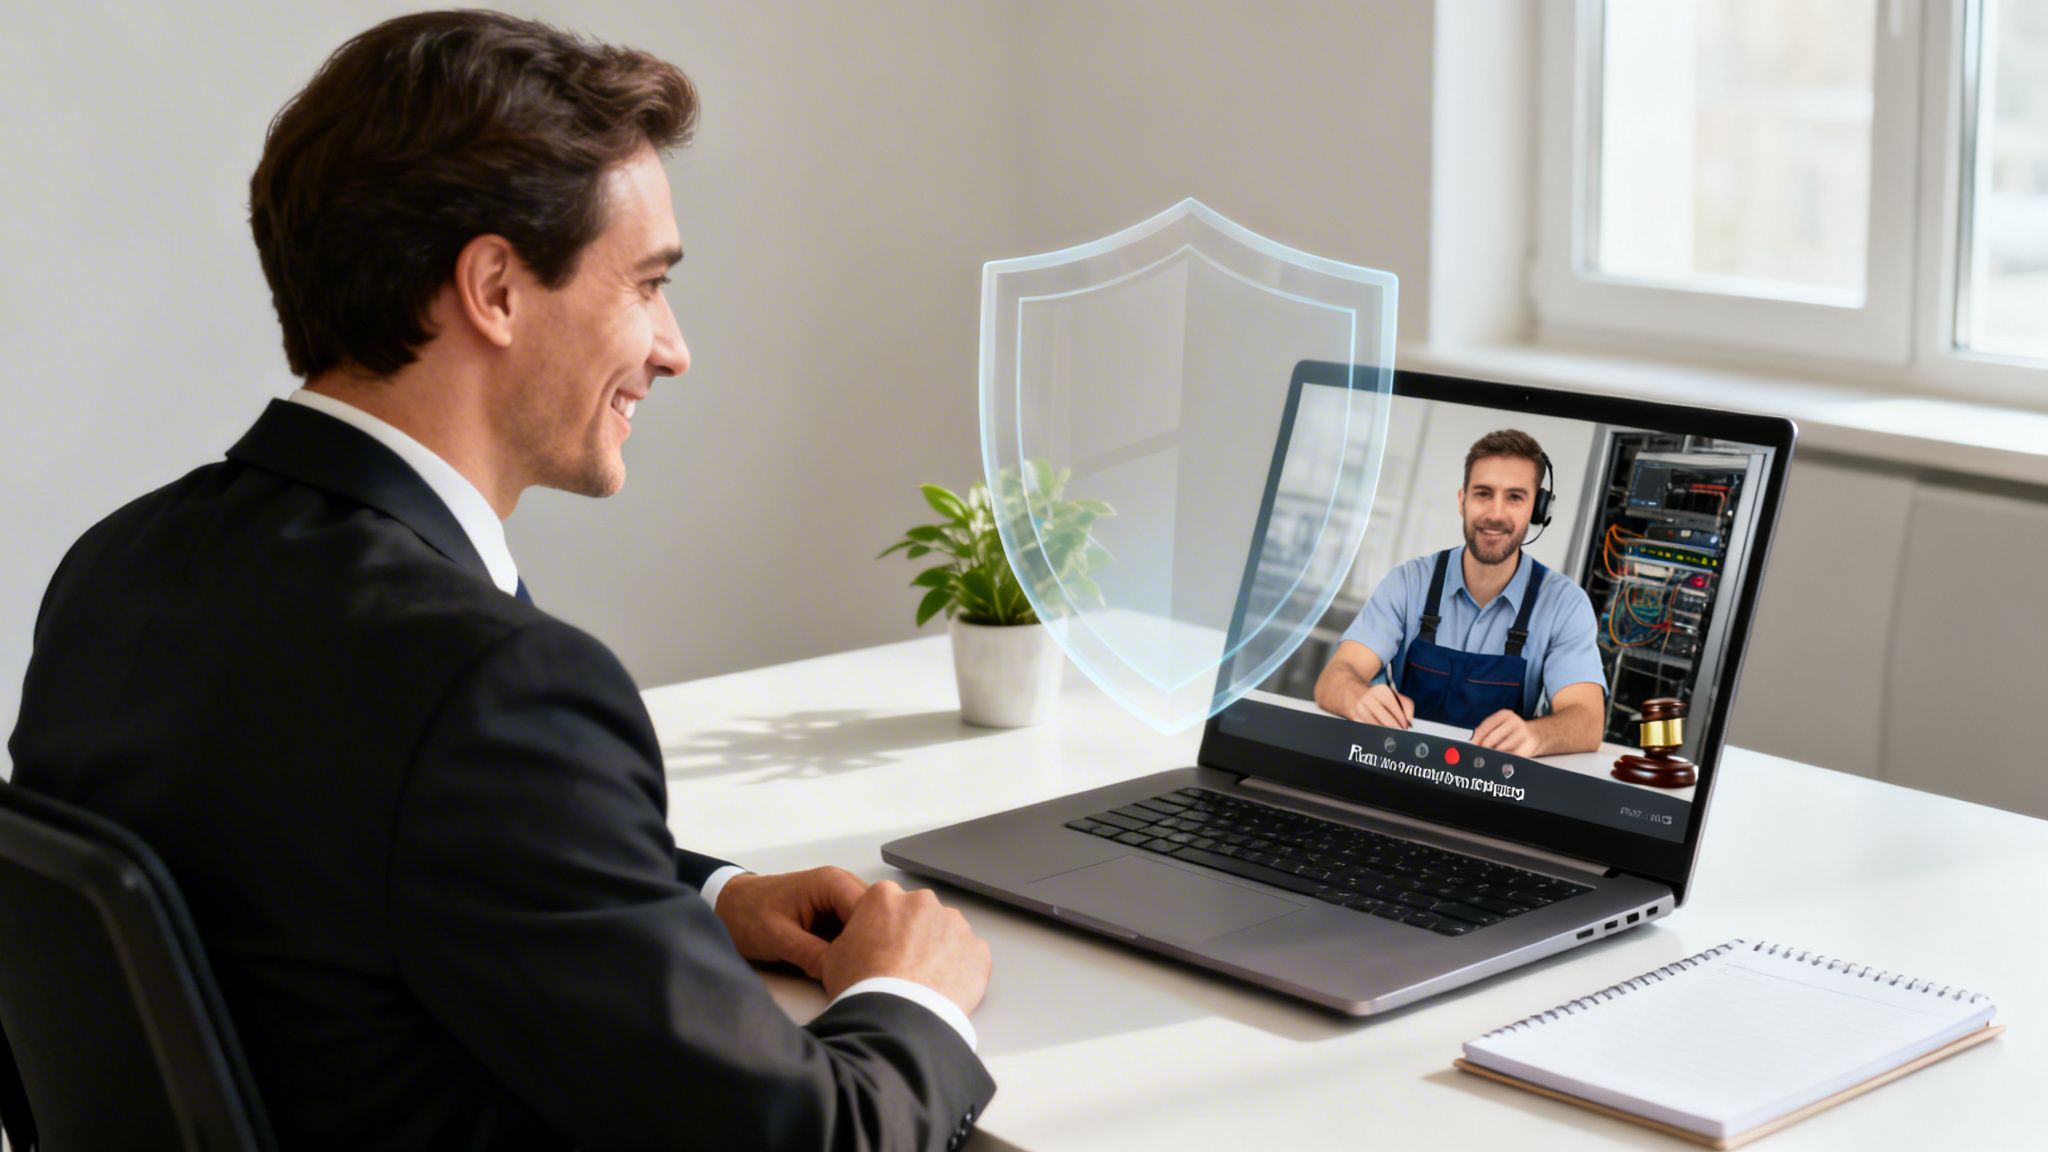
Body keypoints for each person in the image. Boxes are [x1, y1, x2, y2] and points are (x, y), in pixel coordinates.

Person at [6, 11, 992, 1150]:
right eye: (646, 285)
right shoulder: (491, 691)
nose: (673, 348)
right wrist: (910, 994)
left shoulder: (122, 566)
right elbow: (815, 1137)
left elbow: (352, 858)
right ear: (494, 288)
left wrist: (713, 897)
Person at [1315, 429, 1607, 756]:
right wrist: (1357, 697)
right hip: (1399, 762)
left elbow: (1588, 721)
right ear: (1462, 501)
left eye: (1514, 497)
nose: (1495, 514)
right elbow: (1335, 677)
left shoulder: (1565, 605)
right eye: (1483, 493)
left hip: (1498, 778)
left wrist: (1536, 735)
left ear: (1537, 511)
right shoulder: (1408, 582)